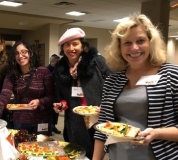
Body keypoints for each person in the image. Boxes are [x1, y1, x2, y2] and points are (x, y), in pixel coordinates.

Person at [93, 13, 178, 160]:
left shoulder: (171, 75)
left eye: (140, 41)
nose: (134, 48)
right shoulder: (113, 80)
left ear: (151, 42)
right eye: (127, 43)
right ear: (119, 47)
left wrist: (157, 133)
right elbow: (102, 129)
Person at [53, 27, 112, 159]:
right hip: (75, 120)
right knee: (77, 153)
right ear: (62, 48)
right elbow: (61, 95)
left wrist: (106, 104)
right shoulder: (61, 68)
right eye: (67, 45)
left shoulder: (96, 61)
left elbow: (114, 84)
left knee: (96, 154)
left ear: (83, 45)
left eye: (75, 44)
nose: (71, 48)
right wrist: (61, 104)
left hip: (98, 116)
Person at [0, 41, 55, 136]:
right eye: (17, 53)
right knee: (20, 148)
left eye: (24, 52)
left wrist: (40, 101)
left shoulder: (43, 72)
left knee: (41, 148)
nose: (20, 56)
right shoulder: (12, 74)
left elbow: (51, 96)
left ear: (30, 53)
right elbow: (5, 94)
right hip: (20, 121)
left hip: (42, 120)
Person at [47, 54, 61, 134]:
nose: (57, 62)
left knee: (57, 111)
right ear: (52, 61)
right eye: (56, 61)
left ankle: (54, 126)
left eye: (58, 61)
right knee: (50, 111)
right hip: (50, 93)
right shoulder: (47, 69)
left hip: (57, 93)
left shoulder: (59, 69)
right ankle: (49, 127)